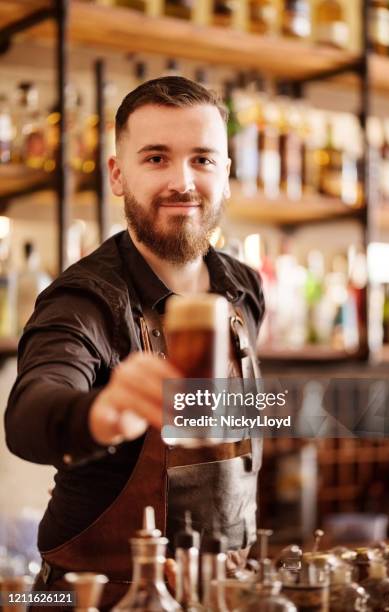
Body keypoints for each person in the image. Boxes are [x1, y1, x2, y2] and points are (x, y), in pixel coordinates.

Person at [5, 76, 265, 609]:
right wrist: (104, 413)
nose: (183, 182)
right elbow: (29, 412)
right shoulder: (84, 299)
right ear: (118, 175)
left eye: (203, 159)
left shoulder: (244, 289)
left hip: (219, 593)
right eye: (156, 159)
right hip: (84, 599)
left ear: (227, 174)